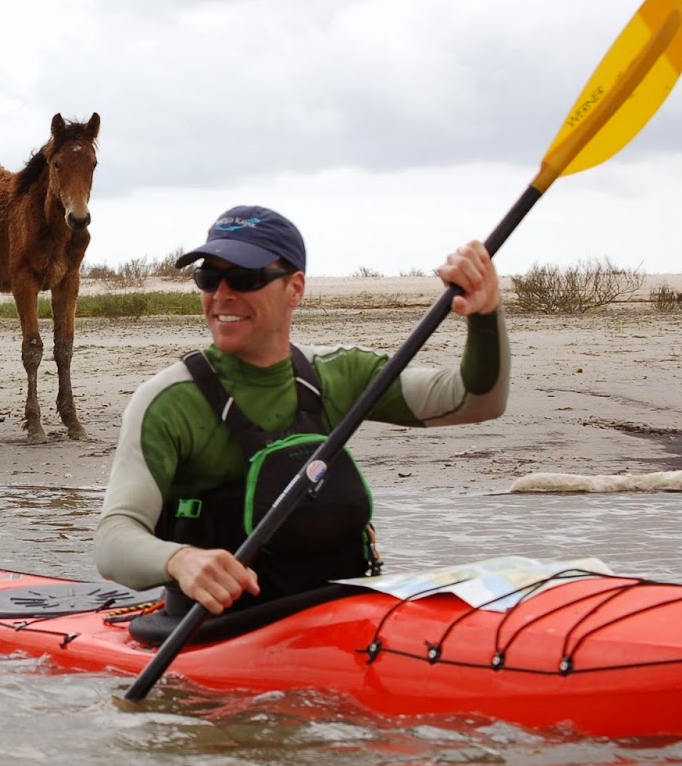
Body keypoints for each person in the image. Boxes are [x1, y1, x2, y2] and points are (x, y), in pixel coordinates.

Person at [95, 205, 509, 616]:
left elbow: (477, 400)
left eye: (244, 277)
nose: (223, 293)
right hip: (219, 629)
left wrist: (486, 313)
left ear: (295, 288)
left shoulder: (339, 374)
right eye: (209, 277)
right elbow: (113, 541)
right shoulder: (168, 401)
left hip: (335, 616)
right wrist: (180, 560)